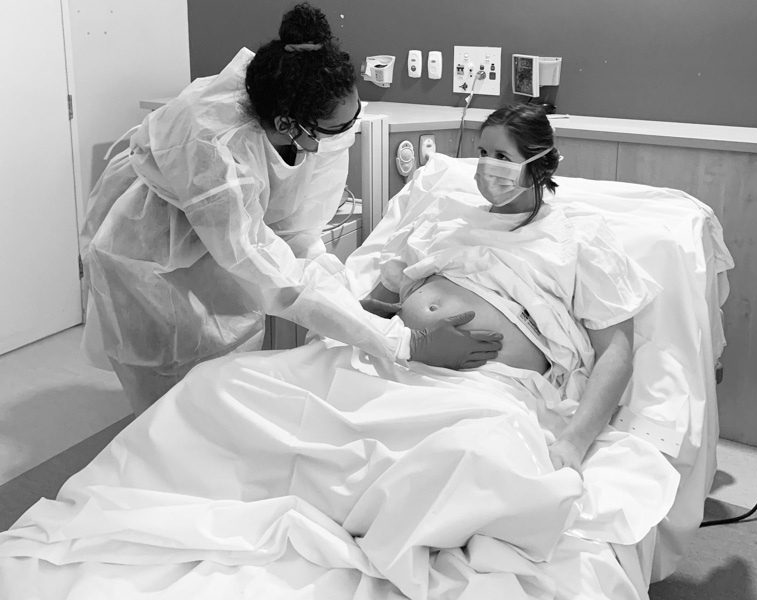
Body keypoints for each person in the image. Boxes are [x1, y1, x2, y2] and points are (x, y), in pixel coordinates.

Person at [80, 3, 501, 416]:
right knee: (169, 391)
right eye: (337, 128)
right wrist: (403, 344)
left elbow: (297, 234)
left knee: (225, 373)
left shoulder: (314, 113)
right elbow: (271, 274)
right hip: (152, 256)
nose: (346, 133)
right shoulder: (215, 146)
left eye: (354, 117)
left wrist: (348, 301)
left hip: (223, 245)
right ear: (286, 125)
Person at [359, 103, 660, 473]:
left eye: (502, 156)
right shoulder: (444, 212)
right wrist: (402, 342)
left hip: (486, 384)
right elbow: (372, 308)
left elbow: (616, 353)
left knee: (450, 462)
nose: (486, 166)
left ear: (541, 164)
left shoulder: (579, 236)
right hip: (400, 363)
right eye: (483, 153)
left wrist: (572, 443)